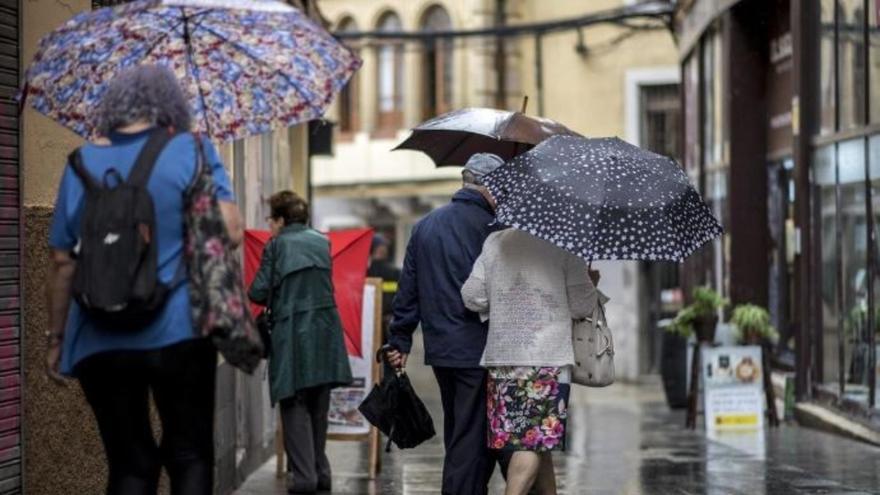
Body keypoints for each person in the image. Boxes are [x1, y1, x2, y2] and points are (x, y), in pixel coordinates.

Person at [45, 65, 243, 495]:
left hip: (99, 338)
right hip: (179, 331)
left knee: (130, 464)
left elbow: (62, 261)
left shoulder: (81, 161)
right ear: (170, 105)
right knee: (190, 454)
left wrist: (56, 340)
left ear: (111, 106)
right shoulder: (192, 149)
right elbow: (230, 231)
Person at [385, 153, 506, 495]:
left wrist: (400, 340)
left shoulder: (425, 226)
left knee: (462, 427)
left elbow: (408, 291)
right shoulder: (494, 230)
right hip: (480, 348)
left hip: (441, 350)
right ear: (489, 185)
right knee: (471, 434)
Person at [460, 228, 601, 495]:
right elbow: (582, 306)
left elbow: (472, 297)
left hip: (503, 360)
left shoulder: (495, 241)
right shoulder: (566, 244)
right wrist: (591, 283)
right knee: (532, 442)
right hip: (547, 361)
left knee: (537, 441)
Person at [248, 191, 353, 494]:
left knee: (293, 405)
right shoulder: (322, 241)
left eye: (271, 219)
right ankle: (321, 472)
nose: (270, 225)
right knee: (319, 405)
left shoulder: (277, 245)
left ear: (280, 219)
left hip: (292, 331)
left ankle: (304, 477)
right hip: (325, 330)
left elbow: (257, 291)